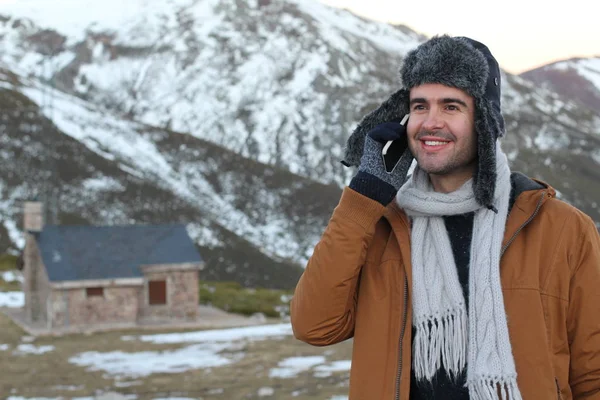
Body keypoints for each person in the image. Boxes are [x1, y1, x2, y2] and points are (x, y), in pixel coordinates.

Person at [290, 35, 600, 400]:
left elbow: (593, 374)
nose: (430, 122)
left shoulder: (561, 228)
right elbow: (314, 327)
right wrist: (363, 197)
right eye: (420, 106)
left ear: (484, 121)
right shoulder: (381, 226)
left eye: (451, 106)